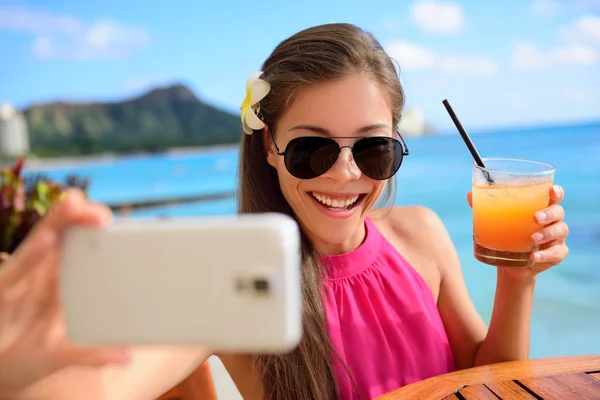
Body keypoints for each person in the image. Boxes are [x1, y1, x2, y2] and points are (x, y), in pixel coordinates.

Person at [0, 23, 569, 400]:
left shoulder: (421, 234)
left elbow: (493, 383)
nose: (345, 174)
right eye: (311, 149)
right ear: (269, 146)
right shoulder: (240, 284)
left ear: (397, 144)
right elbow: (105, 383)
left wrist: (516, 278)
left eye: (372, 148)